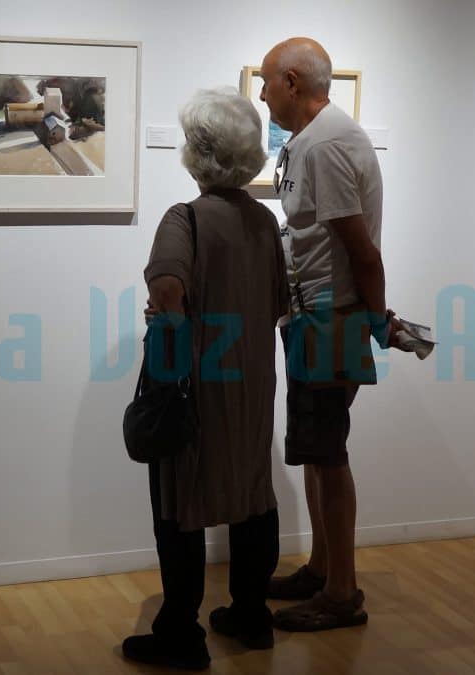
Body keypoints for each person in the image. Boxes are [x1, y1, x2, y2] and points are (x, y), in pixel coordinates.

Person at [122, 88, 289, 671]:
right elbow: (276, 302)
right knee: (252, 496)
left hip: (195, 383)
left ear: (198, 152)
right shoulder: (265, 221)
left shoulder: (185, 218)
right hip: (251, 383)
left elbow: (166, 288)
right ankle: (250, 616)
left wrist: (170, 324)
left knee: (178, 503)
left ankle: (180, 634)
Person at [259, 37, 400, 632]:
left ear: (292, 83)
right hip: (314, 318)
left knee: (329, 454)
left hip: (331, 319)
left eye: (268, 83)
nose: (263, 94)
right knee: (317, 453)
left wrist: (377, 318)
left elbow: (362, 252)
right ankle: (321, 569)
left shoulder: (329, 145)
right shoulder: (311, 143)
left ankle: (342, 593)